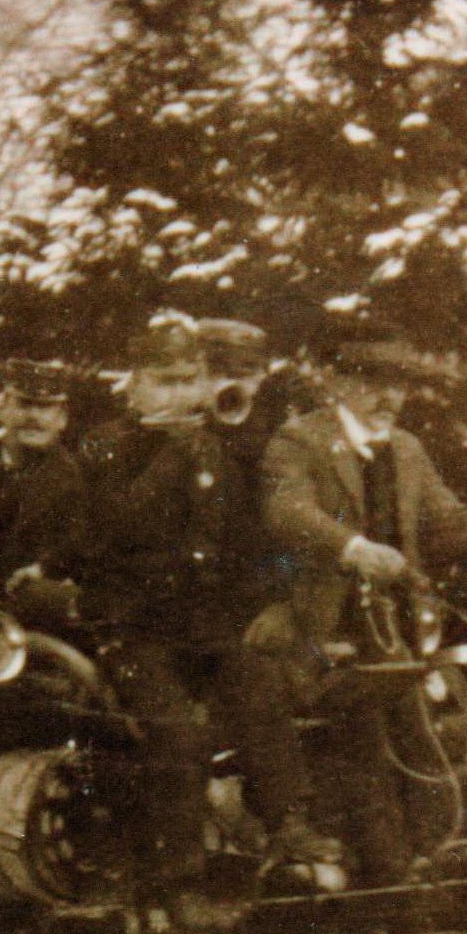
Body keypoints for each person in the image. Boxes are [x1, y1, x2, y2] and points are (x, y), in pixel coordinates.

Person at [256, 335, 467, 881]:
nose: (386, 398)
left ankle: (431, 862)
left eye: (396, 387)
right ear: (337, 384)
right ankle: (387, 875)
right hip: (324, 626)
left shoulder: (408, 450)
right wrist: (353, 548)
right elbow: (286, 511)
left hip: (401, 628)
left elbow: (448, 517)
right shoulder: (300, 441)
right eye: (371, 385)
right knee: (368, 741)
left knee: (437, 736)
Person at [78, 312, 336, 894]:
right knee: (173, 731)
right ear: (136, 384)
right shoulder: (104, 443)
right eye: (166, 380)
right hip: (132, 626)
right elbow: (120, 525)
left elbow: (250, 541)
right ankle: (176, 874)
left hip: (205, 626)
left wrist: (272, 605)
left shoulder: (218, 446)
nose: (183, 392)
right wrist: (175, 451)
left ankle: (286, 831)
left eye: (190, 379)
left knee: (261, 690)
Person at [0, 356, 93, 603]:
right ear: (3, 409)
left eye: (45, 407)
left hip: (37, 602)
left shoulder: (76, 477)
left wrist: (41, 570)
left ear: (62, 418)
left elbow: (77, 545)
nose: (33, 416)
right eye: (24, 404)